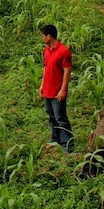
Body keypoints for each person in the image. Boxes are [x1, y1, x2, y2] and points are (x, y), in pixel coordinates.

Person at [40, 24, 74, 152]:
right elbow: (45, 68)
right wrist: (42, 85)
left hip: (57, 91)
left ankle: (68, 144)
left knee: (61, 117)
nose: (42, 38)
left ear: (49, 36)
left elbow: (67, 71)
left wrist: (63, 90)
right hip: (47, 90)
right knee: (51, 116)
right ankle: (55, 139)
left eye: (43, 36)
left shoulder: (63, 51)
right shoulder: (46, 50)